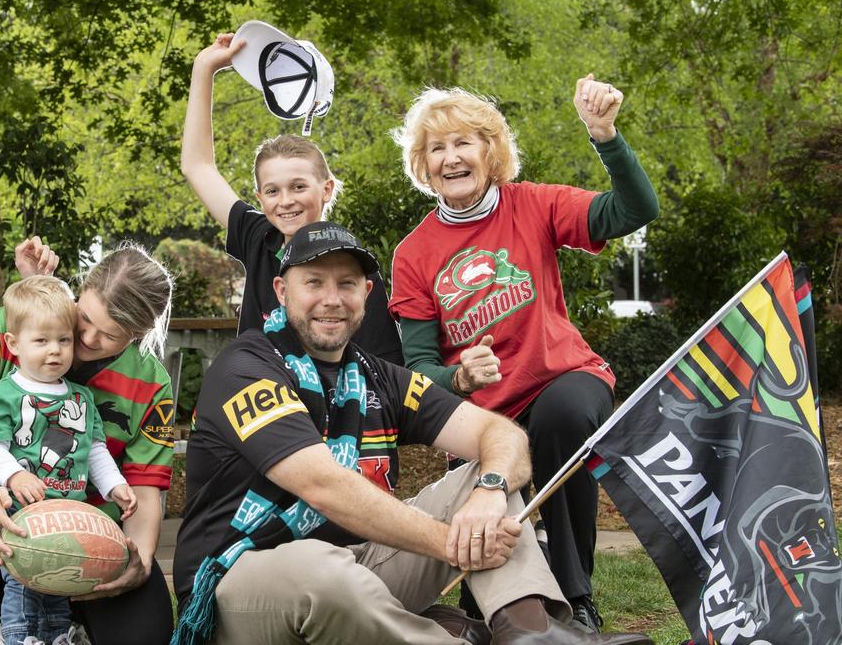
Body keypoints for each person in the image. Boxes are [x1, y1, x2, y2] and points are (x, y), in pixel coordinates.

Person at [172, 220, 654, 645]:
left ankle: (529, 633)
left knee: (482, 476)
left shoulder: (375, 375)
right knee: (320, 571)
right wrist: (452, 543)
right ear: (282, 291)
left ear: (367, 293)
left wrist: (488, 491)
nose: (331, 299)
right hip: (240, 582)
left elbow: (500, 434)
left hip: (356, 566)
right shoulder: (247, 366)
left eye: (347, 283)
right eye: (313, 282)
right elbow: (323, 486)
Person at [387, 76, 660, 631]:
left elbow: (635, 210)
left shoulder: (532, 204)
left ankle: (576, 596)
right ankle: (500, 604)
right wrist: (459, 378)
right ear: (423, 165)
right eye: (436, 148)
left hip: (562, 376)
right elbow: (418, 373)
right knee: (485, 488)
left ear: (490, 152)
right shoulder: (413, 254)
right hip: (483, 408)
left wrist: (604, 135)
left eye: (463, 143)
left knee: (564, 417)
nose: (451, 157)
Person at [0, 241, 176, 645]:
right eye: (83, 318)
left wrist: (138, 559)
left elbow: (144, 488)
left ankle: (69, 619)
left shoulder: (152, 381)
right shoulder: (10, 325)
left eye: (110, 335)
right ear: (80, 290)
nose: (87, 338)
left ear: (139, 334)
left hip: (92, 531)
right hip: (9, 518)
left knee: (147, 636)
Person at [180, 32, 402, 364]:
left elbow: (385, 367)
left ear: (326, 189)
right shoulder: (258, 237)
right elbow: (197, 165)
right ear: (260, 197)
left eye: (298, 187)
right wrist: (204, 69)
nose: (286, 201)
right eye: (272, 191)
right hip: (258, 399)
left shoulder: (352, 264)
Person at [0, 275, 138, 645]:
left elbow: (95, 449)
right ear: (13, 344)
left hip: (69, 512)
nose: (55, 351)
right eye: (41, 341)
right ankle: (17, 636)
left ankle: (58, 636)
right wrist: (14, 476)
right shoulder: (0, 396)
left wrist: (115, 485)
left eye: (64, 340)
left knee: (60, 579)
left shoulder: (80, 398)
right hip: (21, 514)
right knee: (24, 580)